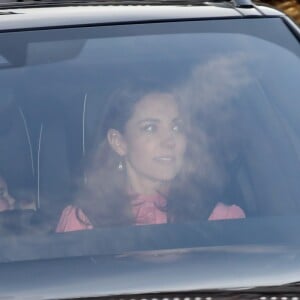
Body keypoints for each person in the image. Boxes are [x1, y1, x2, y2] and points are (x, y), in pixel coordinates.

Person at [56, 83, 245, 232]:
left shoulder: (221, 219)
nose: (169, 141)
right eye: (150, 128)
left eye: (176, 127)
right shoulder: (84, 222)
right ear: (119, 142)